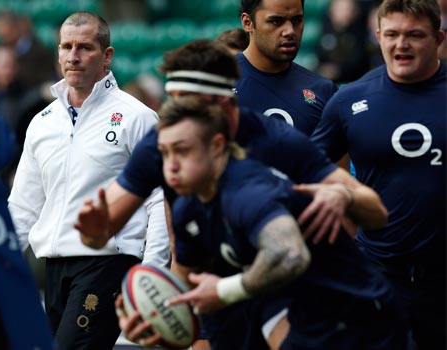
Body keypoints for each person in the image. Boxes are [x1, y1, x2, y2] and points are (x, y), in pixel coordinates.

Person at [75, 39, 388, 349]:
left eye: (187, 103)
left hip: (303, 289)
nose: (173, 117)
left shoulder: (265, 159)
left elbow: (371, 215)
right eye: (173, 101)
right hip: (232, 281)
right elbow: (112, 230)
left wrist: (343, 197)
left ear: (221, 106)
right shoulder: (167, 147)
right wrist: (159, 313)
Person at [155, 95, 407, 350]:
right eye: (165, 153)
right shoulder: (188, 207)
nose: (171, 166)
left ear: (217, 146)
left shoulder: (249, 192)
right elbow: (190, 280)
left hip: (354, 317)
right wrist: (156, 315)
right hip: (285, 303)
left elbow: (289, 255)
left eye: (183, 150)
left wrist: (222, 290)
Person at [7, 11, 169, 350]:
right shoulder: (42, 122)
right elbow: (23, 204)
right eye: (66, 46)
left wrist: (151, 273)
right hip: (53, 265)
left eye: (85, 47)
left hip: (108, 263)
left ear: (107, 55)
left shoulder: (136, 117)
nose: (73, 56)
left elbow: (158, 199)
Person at [310, 0, 446, 348]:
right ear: (378, 36)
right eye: (393, 34)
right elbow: (310, 168)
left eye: (415, 35)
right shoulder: (348, 100)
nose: (402, 44)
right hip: (381, 275)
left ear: (439, 38)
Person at [236, 0, 338, 136]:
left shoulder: (323, 91)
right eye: (276, 21)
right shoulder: (218, 81)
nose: (290, 31)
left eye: (296, 20)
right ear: (247, 23)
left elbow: (336, 157)